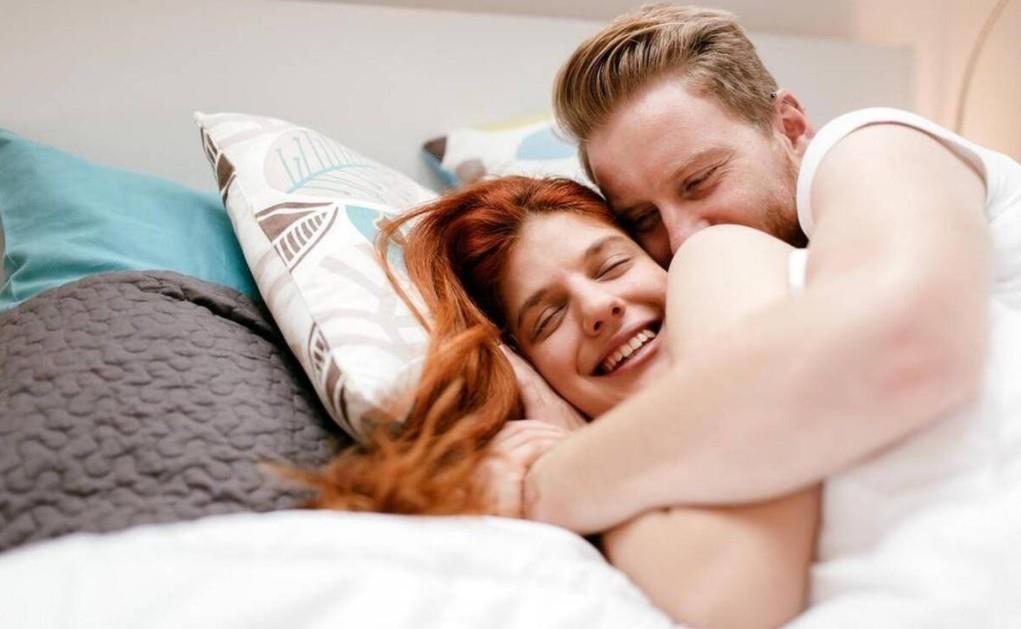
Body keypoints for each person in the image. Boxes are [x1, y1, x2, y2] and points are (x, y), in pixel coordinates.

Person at [509, 3, 1021, 624]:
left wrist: (550, 477)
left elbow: (908, 349)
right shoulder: (747, 292)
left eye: (699, 181)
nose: (681, 235)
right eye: (642, 219)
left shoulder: (869, 143)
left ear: (790, 126)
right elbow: (718, 587)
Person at [303, 175, 820, 626]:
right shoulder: (618, 493)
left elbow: (733, 601)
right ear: (531, 369)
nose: (598, 306)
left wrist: (575, 458)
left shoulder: (717, 260)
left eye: (612, 266)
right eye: (547, 318)